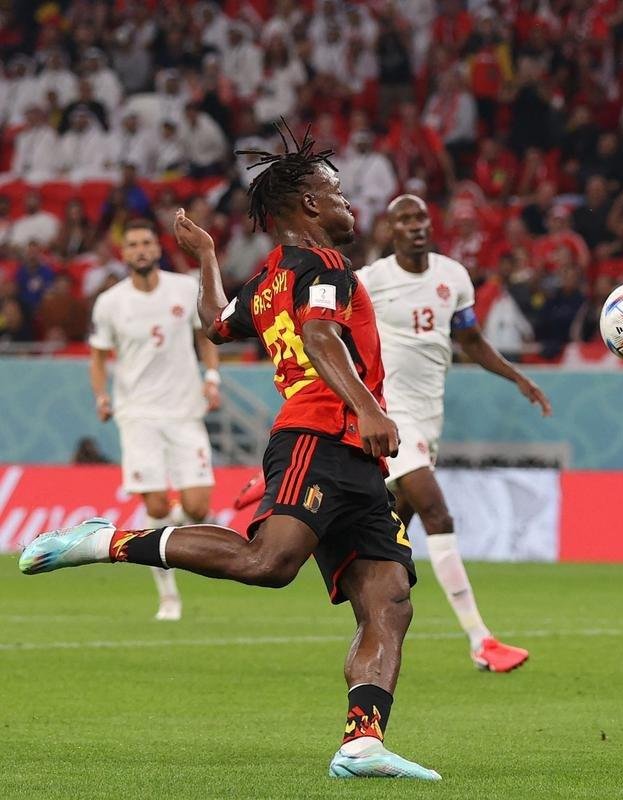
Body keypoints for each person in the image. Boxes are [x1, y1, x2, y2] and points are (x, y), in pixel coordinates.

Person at [20, 126, 440, 781]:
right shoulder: (326, 267)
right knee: (268, 563)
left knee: (388, 598)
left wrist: (206, 257)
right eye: (336, 193)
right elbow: (323, 337)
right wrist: (367, 406)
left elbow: (216, 323)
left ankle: (361, 744)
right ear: (307, 208)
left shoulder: (271, 277)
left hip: (356, 459)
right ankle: (108, 543)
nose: (349, 205)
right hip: (318, 436)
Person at [357, 194, 551, 671]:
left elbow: (470, 341)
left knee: (390, 533)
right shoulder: (371, 281)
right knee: (438, 514)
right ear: (390, 230)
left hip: (429, 417)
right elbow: (332, 334)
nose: (415, 225)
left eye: (421, 216)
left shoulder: (453, 277)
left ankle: (369, 619)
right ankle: (480, 639)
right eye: (404, 219)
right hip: (392, 413)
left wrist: (518, 378)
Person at [87, 219, 221, 621]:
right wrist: (102, 396)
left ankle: (163, 532)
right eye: (133, 245)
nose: (141, 249)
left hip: (184, 409)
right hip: (138, 413)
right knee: (157, 502)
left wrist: (211, 378)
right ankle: (168, 597)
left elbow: (206, 336)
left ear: (157, 249)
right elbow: (97, 357)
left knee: (198, 507)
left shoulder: (183, 288)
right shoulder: (111, 302)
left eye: (147, 242)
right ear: (123, 253)